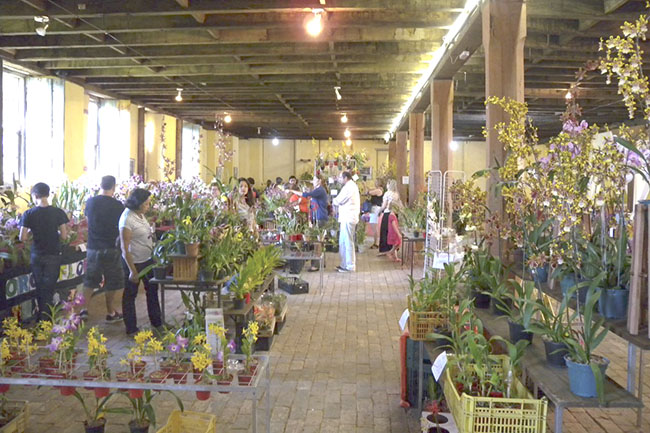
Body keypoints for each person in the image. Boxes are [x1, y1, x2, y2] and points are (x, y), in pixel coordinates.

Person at [19, 182, 70, 320]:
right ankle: (45, 319)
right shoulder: (58, 212)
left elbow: (22, 237)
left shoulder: (28, 214)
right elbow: (64, 236)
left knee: (40, 287)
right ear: (48, 194)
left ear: (35, 195)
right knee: (49, 287)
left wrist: (31, 235)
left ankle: (43, 318)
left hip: (37, 254)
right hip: (53, 254)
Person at [81, 175, 125, 323]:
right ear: (114, 187)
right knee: (112, 281)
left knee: (90, 280)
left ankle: (84, 310)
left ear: (100, 185)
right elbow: (122, 227)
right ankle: (111, 312)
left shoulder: (90, 202)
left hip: (93, 247)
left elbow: (87, 222)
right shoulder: (118, 205)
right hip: (111, 247)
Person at [119, 188, 162, 336]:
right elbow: (124, 247)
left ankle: (157, 322)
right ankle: (131, 328)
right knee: (130, 295)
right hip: (134, 262)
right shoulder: (127, 219)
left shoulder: (140, 215)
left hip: (147, 259)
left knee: (152, 291)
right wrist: (132, 270)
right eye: (146, 204)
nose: (148, 206)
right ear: (137, 203)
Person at [293, 175, 329, 271]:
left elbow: (305, 195)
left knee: (317, 241)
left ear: (320, 181)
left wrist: (292, 191)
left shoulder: (320, 190)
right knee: (319, 241)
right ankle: (321, 262)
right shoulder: (318, 190)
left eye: (314, 179)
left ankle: (316, 265)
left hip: (320, 217)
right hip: (316, 217)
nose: (312, 181)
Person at [332, 172, 360, 273]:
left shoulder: (350, 187)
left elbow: (340, 200)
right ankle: (344, 264)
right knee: (343, 242)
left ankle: (350, 266)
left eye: (340, 177)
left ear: (345, 178)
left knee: (348, 242)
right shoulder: (349, 186)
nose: (339, 179)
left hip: (349, 217)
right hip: (345, 217)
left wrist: (333, 200)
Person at [378, 179, 402, 256]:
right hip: (395, 213)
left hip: (387, 213)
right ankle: (394, 249)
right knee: (393, 231)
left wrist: (379, 211)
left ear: (389, 185)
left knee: (385, 231)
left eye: (387, 184)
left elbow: (384, 205)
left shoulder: (387, 193)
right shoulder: (396, 194)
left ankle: (386, 249)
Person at [366, 180, 384, 249]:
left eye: (376, 182)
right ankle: (375, 242)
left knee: (374, 225)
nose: (375, 183)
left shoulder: (379, 190)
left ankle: (376, 243)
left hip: (375, 208)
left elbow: (369, 192)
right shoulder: (377, 190)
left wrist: (366, 187)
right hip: (374, 208)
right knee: (373, 225)